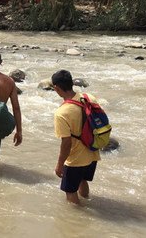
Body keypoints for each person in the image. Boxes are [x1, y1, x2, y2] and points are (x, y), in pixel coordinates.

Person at [51, 69, 101, 205]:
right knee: (82, 180)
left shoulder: (61, 113)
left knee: (70, 192)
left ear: (56, 88)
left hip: (76, 159)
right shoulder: (88, 97)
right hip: (92, 151)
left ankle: (79, 219)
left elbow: (66, 143)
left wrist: (59, 165)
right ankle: (86, 201)